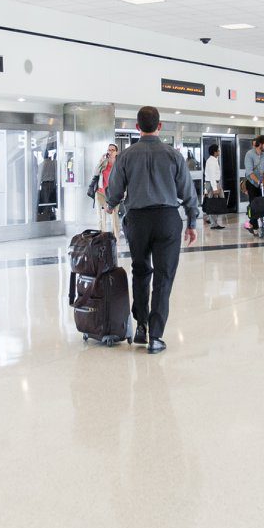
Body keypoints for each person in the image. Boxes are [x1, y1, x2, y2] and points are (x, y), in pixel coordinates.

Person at [103, 105, 200, 354]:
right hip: (167, 219)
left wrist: (111, 205)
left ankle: (141, 327)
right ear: (160, 126)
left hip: (137, 220)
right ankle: (156, 337)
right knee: (164, 277)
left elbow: (114, 191)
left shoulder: (126, 156)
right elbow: (188, 192)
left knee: (141, 271)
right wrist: (191, 222)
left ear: (137, 128)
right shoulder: (173, 155)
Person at [242, 134, 264, 235]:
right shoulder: (249, 154)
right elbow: (249, 172)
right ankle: (253, 225)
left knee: (263, 205)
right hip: (252, 183)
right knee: (254, 204)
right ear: (260, 144)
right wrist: (258, 181)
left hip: (263, 185)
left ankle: (253, 224)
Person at [88, 143, 120, 239]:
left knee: (114, 217)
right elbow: (95, 173)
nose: (110, 152)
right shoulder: (104, 162)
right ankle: (102, 237)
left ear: (116, 152)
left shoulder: (119, 163)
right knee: (101, 218)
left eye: (112, 150)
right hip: (100, 192)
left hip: (113, 194)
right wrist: (100, 161)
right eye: (109, 150)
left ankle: (115, 238)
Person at [202, 143, 225, 230]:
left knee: (218, 202)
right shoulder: (211, 161)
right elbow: (211, 176)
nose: (219, 151)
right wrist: (215, 188)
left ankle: (211, 219)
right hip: (212, 184)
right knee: (213, 203)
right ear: (215, 152)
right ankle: (213, 223)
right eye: (218, 150)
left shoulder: (214, 159)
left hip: (215, 183)